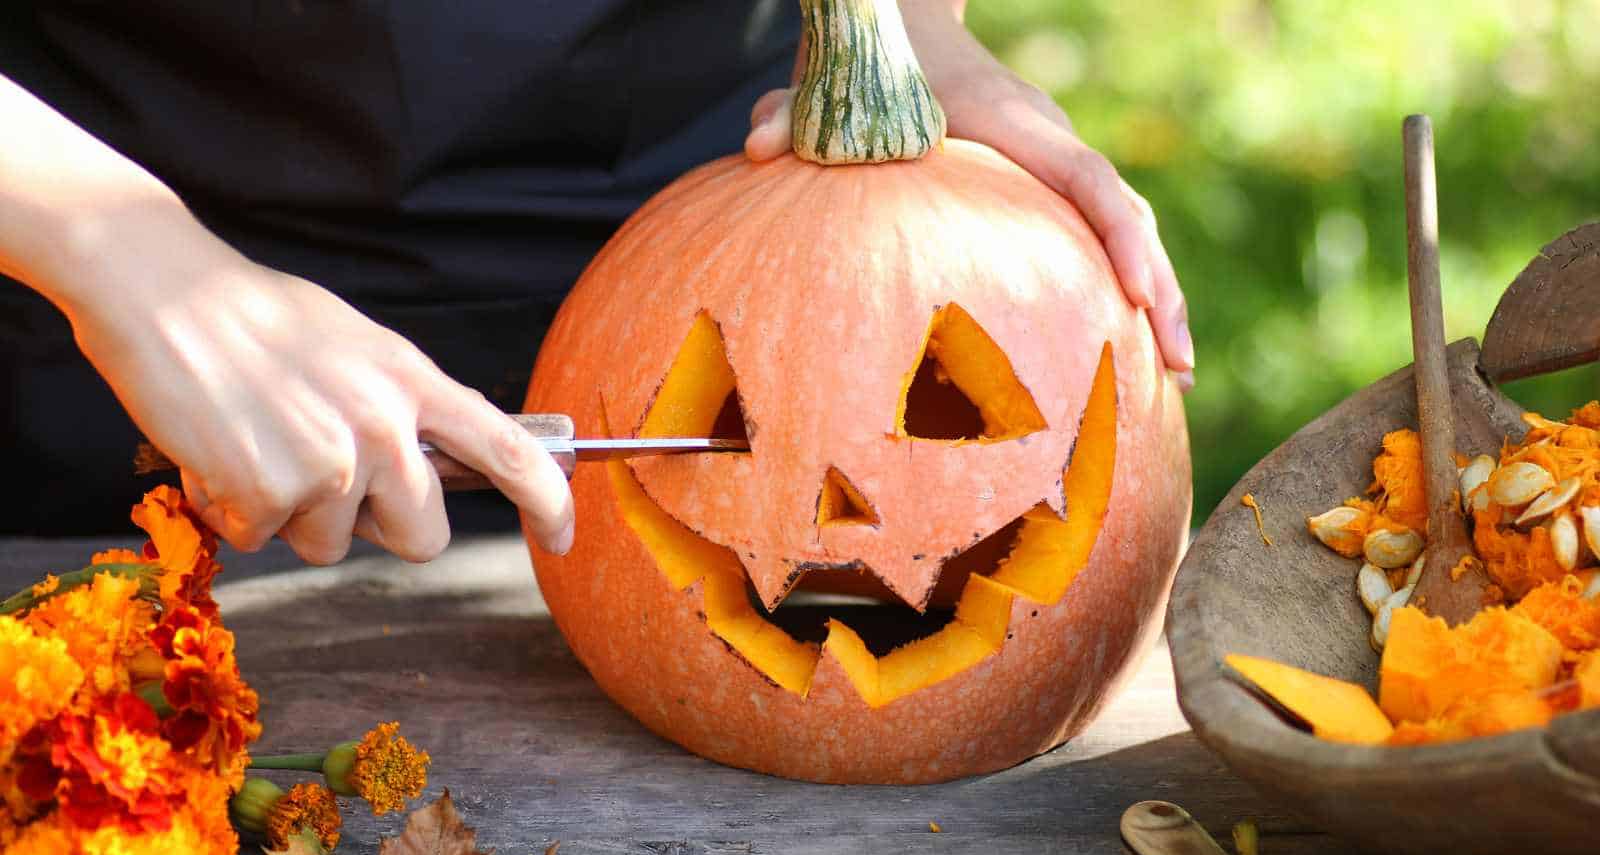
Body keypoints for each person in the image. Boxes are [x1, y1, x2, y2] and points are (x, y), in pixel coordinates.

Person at [0, 2, 1191, 566]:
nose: (849, 506)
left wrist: (911, 37)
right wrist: (122, 253)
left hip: (707, 250)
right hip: (107, 318)